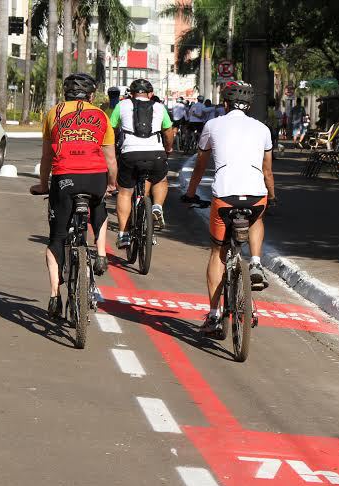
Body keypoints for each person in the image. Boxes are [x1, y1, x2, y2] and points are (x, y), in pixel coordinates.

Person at [181, 81, 276, 338]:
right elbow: (267, 170)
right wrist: (273, 196)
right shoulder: (263, 129)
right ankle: (255, 262)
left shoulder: (213, 125)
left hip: (224, 195)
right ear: (250, 105)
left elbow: (200, 166)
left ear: (225, 103)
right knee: (257, 216)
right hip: (256, 194)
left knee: (217, 254)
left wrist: (190, 194)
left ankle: (213, 316)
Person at [30, 73, 118, 318]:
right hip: (95, 177)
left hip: (64, 179)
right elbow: (110, 158)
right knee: (99, 205)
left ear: (65, 94)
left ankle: (54, 297)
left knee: (56, 237)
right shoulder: (101, 116)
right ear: (91, 96)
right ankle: (100, 255)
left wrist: (42, 184)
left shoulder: (53, 114)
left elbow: (47, 157)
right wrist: (112, 183)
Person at [110, 78, 174, 249]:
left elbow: (112, 128)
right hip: (156, 154)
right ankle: (157, 207)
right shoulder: (160, 107)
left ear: (131, 93)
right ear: (151, 94)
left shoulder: (121, 105)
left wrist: (115, 144)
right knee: (160, 179)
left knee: (124, 192)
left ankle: (123, 234)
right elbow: (168, 131)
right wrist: (168, 149)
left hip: (130, 153)